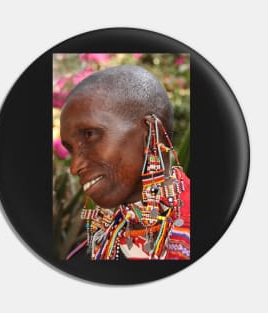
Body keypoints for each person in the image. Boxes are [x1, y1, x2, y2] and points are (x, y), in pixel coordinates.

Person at [60, 65, 190, 260]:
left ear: (150, 132)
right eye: (70, 149)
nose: (74, 167)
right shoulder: (90, 255)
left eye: (90, 135)